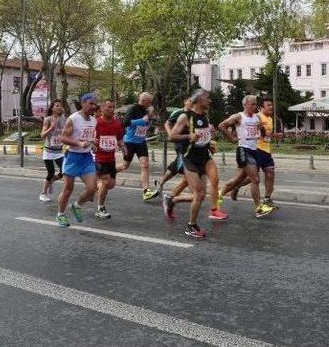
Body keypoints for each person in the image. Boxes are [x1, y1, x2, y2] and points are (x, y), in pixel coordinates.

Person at [166, 89, 220, 238]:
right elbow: (171, 136)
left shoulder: (205, 116)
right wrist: (188, 136)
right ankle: (191, 226)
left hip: (204, 157)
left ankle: (173, 200)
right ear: (200, 99)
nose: (210, 101)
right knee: (199, 193)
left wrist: (209, 142)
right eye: (207, 98)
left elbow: (202, 137)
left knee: (201, 195)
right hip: (190, 158)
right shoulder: (185, 117)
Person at [218, 95, 276, 218]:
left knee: (237, 180)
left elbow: (263, 134)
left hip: (254, 151)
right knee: (255, 179)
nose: (255, 107)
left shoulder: (256, 117)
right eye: (252, 104)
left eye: (255, 104)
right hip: (243, 150)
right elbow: (221, 125)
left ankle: (219, 195)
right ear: (245, 105)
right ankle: (259, 208)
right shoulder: (239, 116)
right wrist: (232, 138)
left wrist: (262, 129)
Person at [56, 93, 98, 228]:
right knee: (68, 189)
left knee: (92, 188)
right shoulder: (73, 119)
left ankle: (76, 205)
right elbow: (62, 138)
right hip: (72, 156)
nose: (94, 106)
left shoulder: (94, 120)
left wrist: (93, 144)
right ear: (83, 103)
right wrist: (79, 144)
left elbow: (88, 138)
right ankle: (60, 214)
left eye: (95, 104)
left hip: (86, 157)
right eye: (91, 103)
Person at [118, 92, 158, 201]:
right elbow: (124, 122)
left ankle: (146, 191)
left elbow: (144, 124)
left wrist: (149, 119)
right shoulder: (133, 109)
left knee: (145, 165)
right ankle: (105, 174)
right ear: (143, 100)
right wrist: (142, 120)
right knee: (124, 166)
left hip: (141, 142)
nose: (150, 104)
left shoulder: (145, 110)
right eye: (149, 102)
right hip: (130, 142)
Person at [94, 99, 126, 218]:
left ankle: (94, 187)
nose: (111, 109)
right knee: (105, 181)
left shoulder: (117, 123)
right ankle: (100, 208)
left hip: (111, 159)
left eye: (113, 107)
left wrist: (123, 147)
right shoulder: (96, 122)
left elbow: (118, 139)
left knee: (111, 184)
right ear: (102, 108)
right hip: (98, 157)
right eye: (109, 107)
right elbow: (89, 138)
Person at [39, 100, 66, 202]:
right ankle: (43, 194)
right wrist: (51, 128)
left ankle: (52, 181)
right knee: (50, 172)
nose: (59, 107)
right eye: (57, 106)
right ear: (52, 108)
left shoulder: (64, 119)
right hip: (48, 151)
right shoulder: (48, 119)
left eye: (60, 106)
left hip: (59, 151)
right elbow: (42, 135)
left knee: (65, 171)